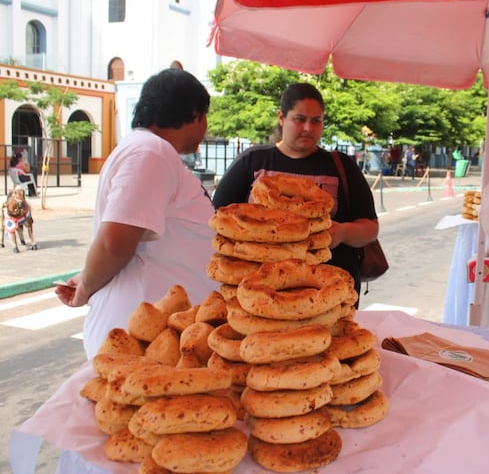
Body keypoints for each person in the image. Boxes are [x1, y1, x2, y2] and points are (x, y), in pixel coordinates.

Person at [55, 69, 218, 360]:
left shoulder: (149, 151)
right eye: (205, 116)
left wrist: (86, 277)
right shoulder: (151, 153)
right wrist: (87, 289)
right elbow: (115, 242)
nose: (206, 126)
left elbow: (134, 235)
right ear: (194, 114)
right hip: (145, 343)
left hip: (158, 340)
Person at [212, 82, 379, 304]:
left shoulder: (341, 166)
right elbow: (220, 218)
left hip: (327, 293)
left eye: (316, 121)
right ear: (282, 117)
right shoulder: (253, 162)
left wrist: (343, 232)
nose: (308, 128)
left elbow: (371, 228)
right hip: (259, 293)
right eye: (300, 119)